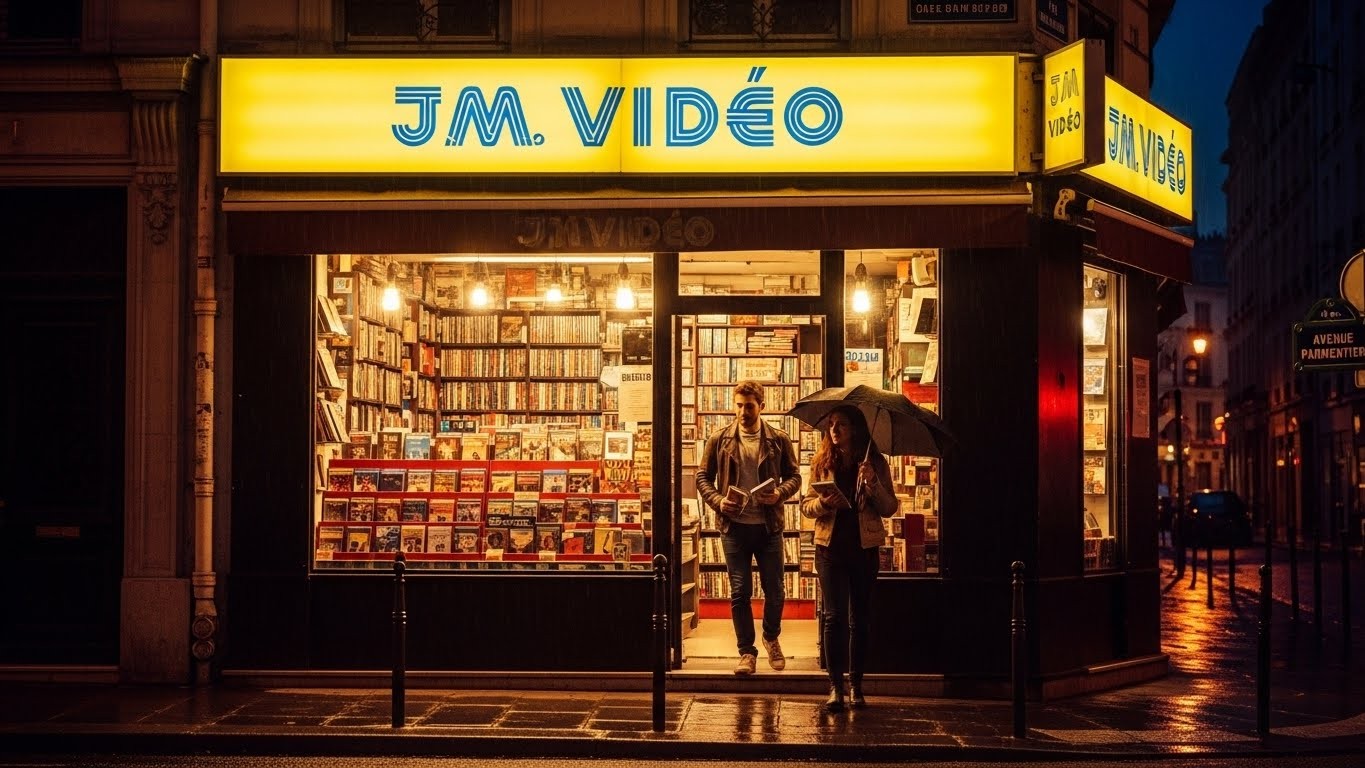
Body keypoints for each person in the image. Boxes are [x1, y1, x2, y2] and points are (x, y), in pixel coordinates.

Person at [696, 380, 802, 676]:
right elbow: (703, 478)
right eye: (739, 405)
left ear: (762, 406)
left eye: (749, 406)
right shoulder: (719, 439)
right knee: (739, 591)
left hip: (768, 527)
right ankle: (747, 652)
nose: (743, 412)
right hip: (735, 527)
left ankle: (771, 636)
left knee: (776, 590)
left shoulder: (778, 439)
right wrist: (718, 501)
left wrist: (779, 493)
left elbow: (795, 477)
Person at [800, 406, 899, 712]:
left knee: (860, 619)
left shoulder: (874, 462)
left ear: (855, 428)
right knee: (833, 618)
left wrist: (872, 483)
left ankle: (856, 685)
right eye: (831, 425)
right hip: (829, 547)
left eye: (841, 424)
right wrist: (823, 503)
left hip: (863, 547)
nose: (834, 429)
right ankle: (835, 687)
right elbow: (805, 506)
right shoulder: (821, 462)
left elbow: (889, 507)